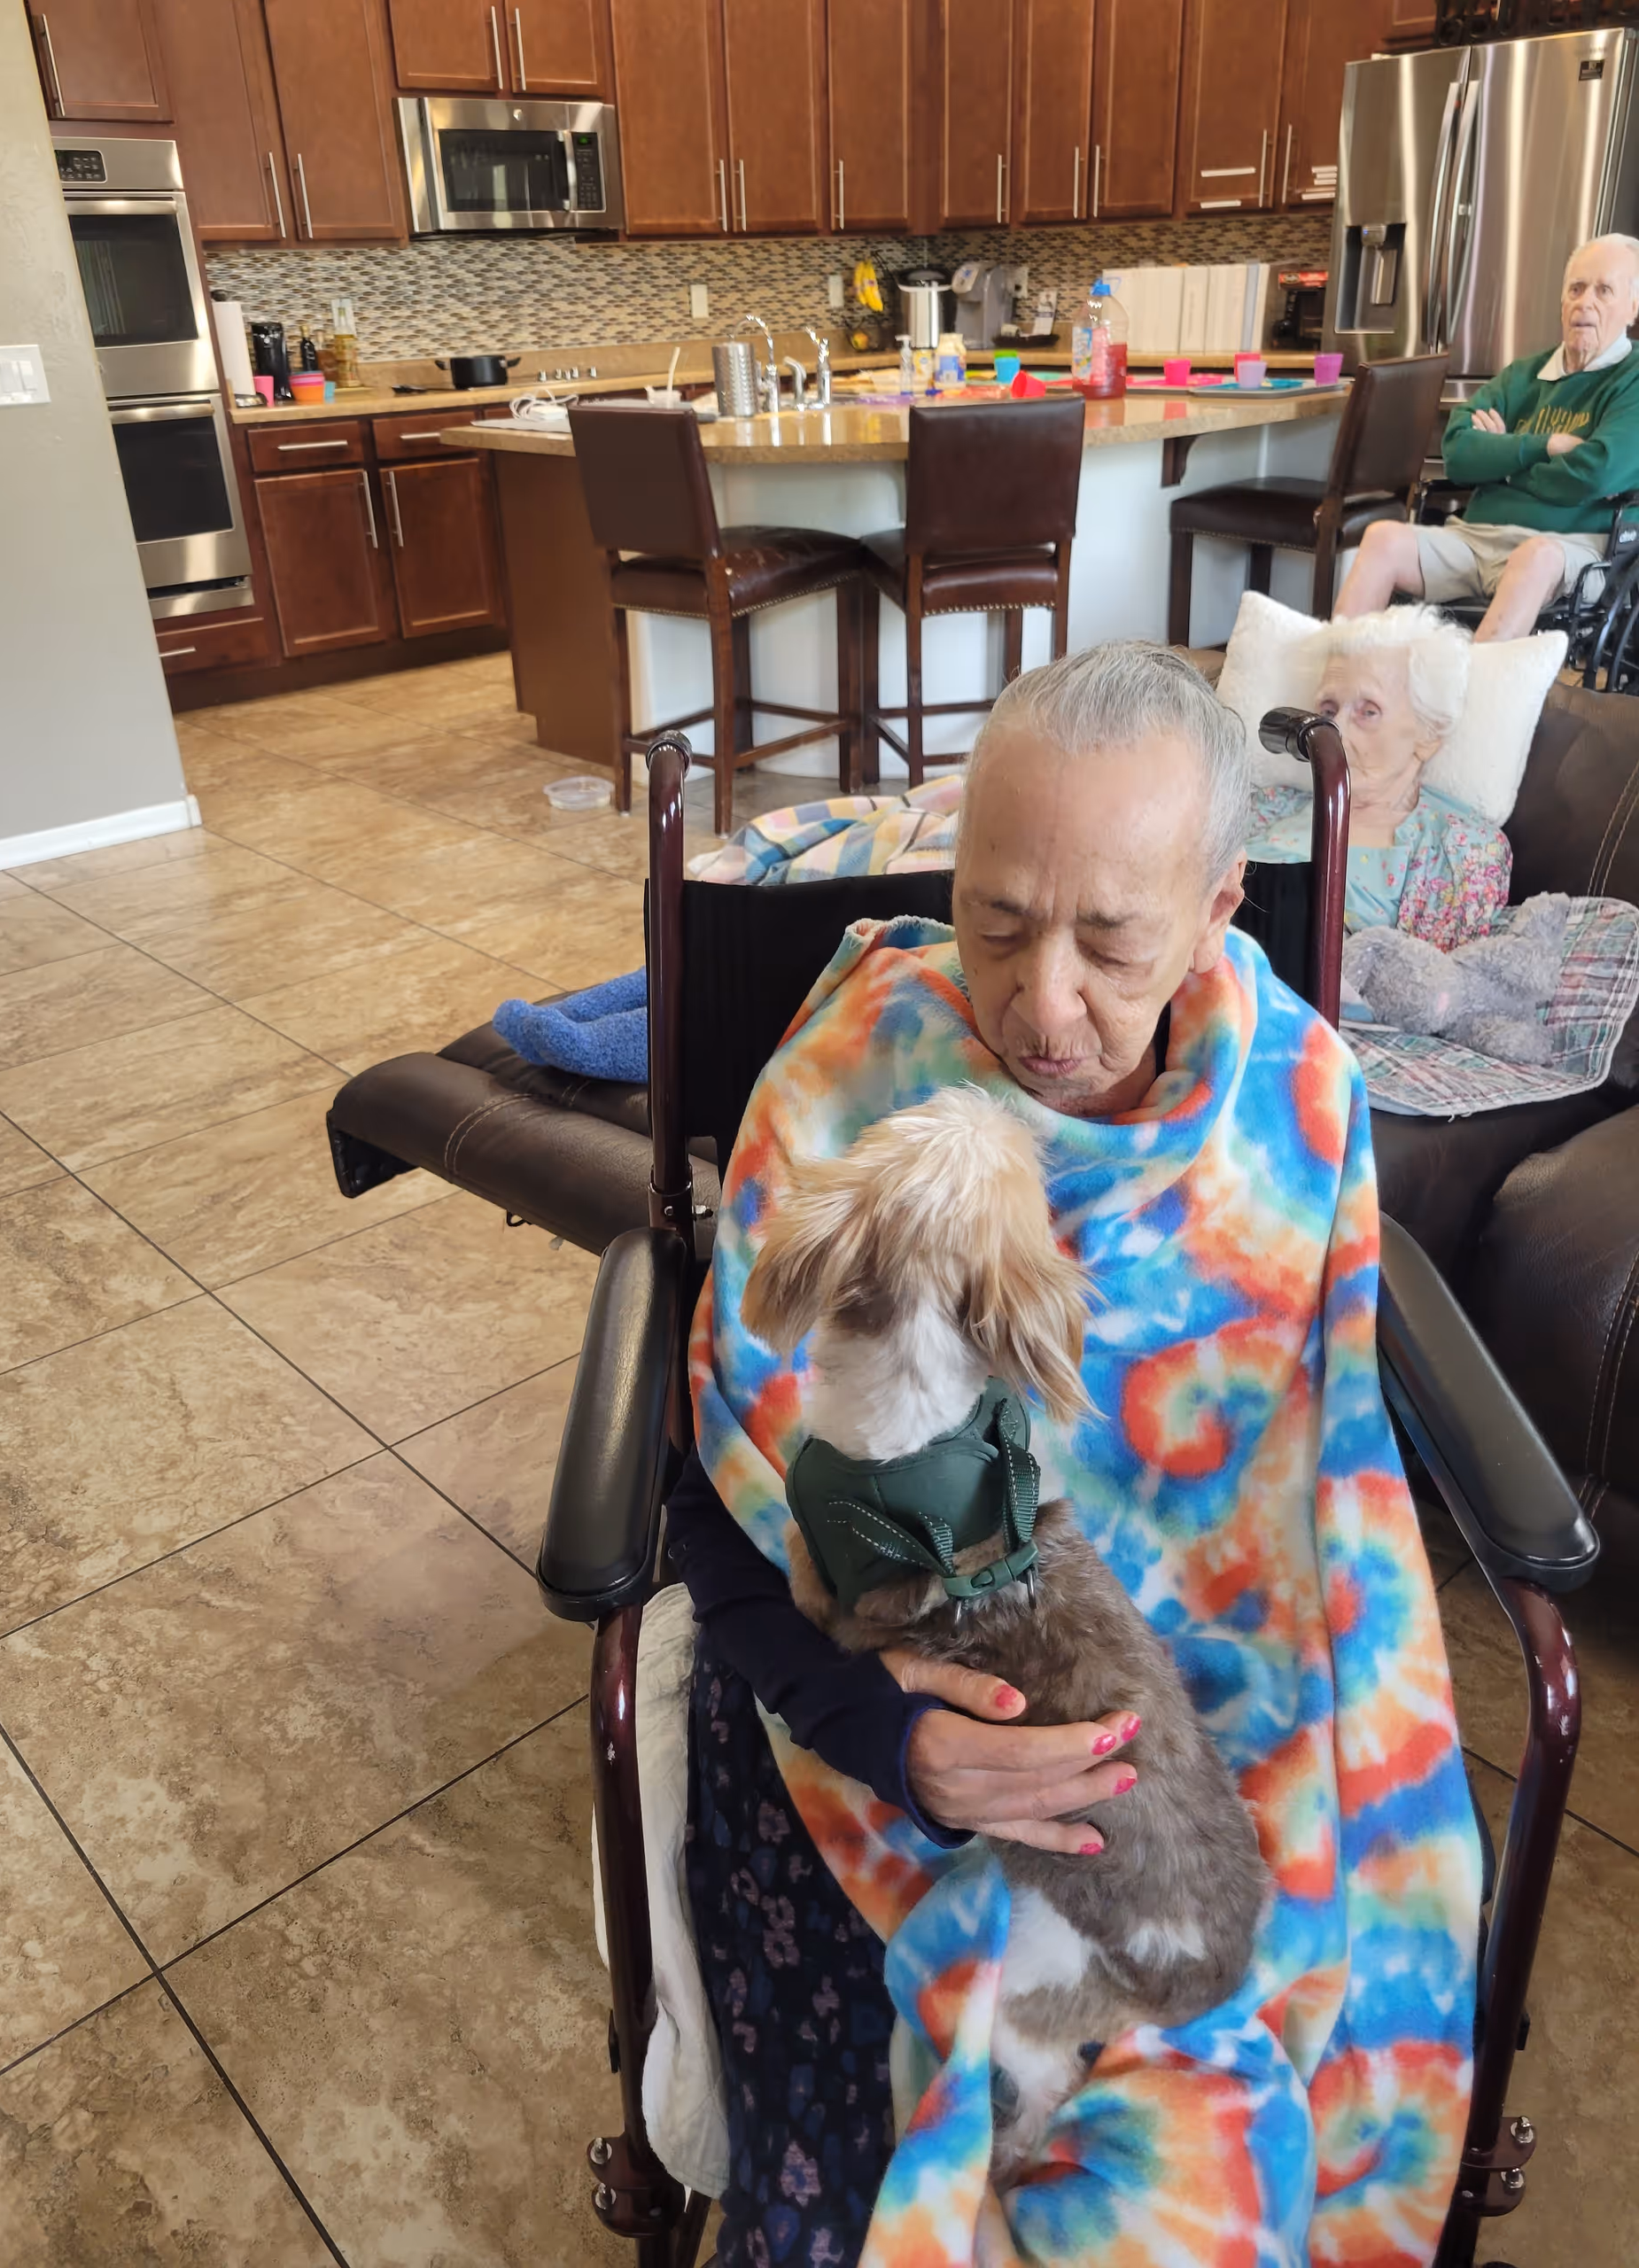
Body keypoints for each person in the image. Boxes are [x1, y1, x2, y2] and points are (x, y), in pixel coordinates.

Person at [666, 641, 1480, 2266]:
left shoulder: (1302, 1104)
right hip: (876, 1726)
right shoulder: (850, 1086)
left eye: (1112, 941)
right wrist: (900, 1747)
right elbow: (714, 1498)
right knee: (863, 2177)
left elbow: (1320, 1492)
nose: (1045, 1006)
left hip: (1223, 1740)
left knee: (1264, 2094)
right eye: (994, 922)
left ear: (1218, 904)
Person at [1335, 233, 1639, 641]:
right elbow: (1458, 451)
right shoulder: (1524, 374)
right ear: (1562, 301)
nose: (1585, 302)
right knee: (1383, 538)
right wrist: (1544, 446)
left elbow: (1597, 471)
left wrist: (1503, 466)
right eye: (1576, 288)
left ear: (1633, 308)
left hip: (1569, 549)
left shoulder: (1631, 378)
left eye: (1604, 290)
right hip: (1475, 537)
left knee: (1535, 558)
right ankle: (1334, 685)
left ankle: (1476, 699)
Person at [1248, 603, 1510, 949]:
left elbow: (1425, 988)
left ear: (1428, 733)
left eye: (1368, 711)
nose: (1334, 729)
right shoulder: (1270, 806)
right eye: (1327, 710)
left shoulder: (1461, 852)